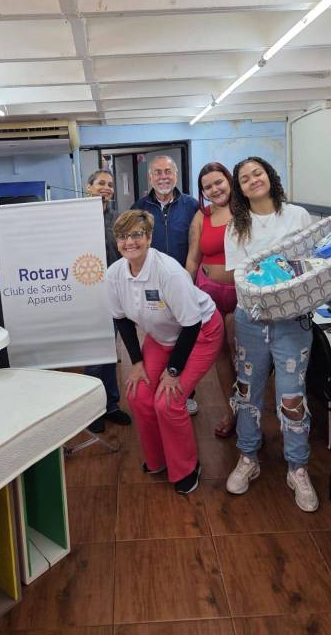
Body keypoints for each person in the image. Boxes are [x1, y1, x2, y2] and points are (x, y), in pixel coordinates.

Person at [224, 156, 319, 512]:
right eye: (244, 178)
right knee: (247, 392)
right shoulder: (237, 228)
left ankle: (297, 468)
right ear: (240, 189)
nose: (253, 180)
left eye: (257, 173)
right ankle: (248, 457)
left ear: (269, 176)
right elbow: (241, 279)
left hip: (292, 322)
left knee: (292, 397)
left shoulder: (298, 216)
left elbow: (310, 266)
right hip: (251, 322)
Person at [107, 209, 224, 494]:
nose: (129, 242)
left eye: (136, 234)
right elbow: (121, 319)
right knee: (137, 394)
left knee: (168, 401)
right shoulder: (114, 274)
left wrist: (173, 372)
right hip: (162, 337)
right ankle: (158, 458)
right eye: (122, 236)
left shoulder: (169, 272)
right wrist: (137, 362)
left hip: (200, 334)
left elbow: (192, 324)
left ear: (149, 237)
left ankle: (186, 467)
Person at [132, 155, 200, 414]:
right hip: (152, 285)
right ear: (150, 178)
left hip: (185, 283)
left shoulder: (191, 206)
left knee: (186, 336)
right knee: (160, 335)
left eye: (168, 172)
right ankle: (161, 384)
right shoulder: (139, 208)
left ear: (176, 175)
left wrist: (190, 277)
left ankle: (186, 392)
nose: (163, 177)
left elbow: (198, 244)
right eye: (157, 172)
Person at [185, 162, 238, 438]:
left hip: (242, 295)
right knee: (221, 354)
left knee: (243, 354)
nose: (214, 189)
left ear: (229, 180)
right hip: (208, 293)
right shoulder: (201, 216)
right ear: (202, 192)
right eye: (208, 187)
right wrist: (183, 293)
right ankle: (231, 412)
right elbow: (193, 259)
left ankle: (250, 416)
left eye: (219, 182)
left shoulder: (247, 211)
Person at [85, 169, 131, 433]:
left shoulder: (118, 220)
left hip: (113, 292)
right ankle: (92, 411)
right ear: (88, 187)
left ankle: (111, 405)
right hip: (86, 295)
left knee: (109, 352)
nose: (106, 188)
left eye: (110, 184)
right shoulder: (76, 218)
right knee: (94, 355)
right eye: (101, 183)